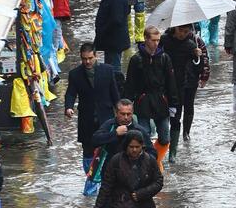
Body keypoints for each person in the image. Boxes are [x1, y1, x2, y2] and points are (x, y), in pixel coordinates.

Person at [65, 42, 120, 194]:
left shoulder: (108, 71)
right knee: (88, 154)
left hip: (106, 119)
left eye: (90, 58)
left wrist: (121, 112)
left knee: (108, 151)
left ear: (96, 56)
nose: (87, 62)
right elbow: (70, 93)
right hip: (86, 120)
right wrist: (68, 107)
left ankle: (104, 183)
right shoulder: (75, 74)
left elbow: (115, 94)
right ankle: (92, 183)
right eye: (84, 59)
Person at [124, 26, 179, 171]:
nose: (156, 43)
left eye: (158, 40)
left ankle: (155, 159)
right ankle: (148, 165)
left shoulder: (164, 58)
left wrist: (173, 103)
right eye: (153, 40)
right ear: (146, 39)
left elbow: (171, 81)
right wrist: (127, 105)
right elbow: (130, 83)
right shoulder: (136, 59)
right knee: (144, 135)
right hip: (143, 101)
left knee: (165, 137)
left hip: (161, 101)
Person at [161, 24, 209, 161]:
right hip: (170, 83)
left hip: (189, 81)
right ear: (175, 28)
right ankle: (169, 141)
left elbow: (201, 63)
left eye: (186, 31)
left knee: (188, 107)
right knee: (173, 112)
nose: (183, 33)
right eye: (181, 30)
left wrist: (198, 60)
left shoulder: (194, 42)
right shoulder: (164, 40)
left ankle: (185, 134)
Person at [91, 99, 157, 171]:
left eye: (128, 114)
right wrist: (114, 134)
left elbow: (152, 153)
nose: (126, 117)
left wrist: (141, 163)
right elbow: (94, 140)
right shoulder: (110, 125)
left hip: (132, 173)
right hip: (110, 171)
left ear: (132, 113)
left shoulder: (140, 130)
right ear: (116, 113)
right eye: (122, 114)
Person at [94, 0, 131, 71]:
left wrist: (103, 30)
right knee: (111, 67)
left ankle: (116, 86)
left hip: (114, 41)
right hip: (111, 40)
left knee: (114, 69)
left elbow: (116, 20)